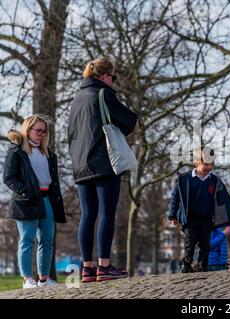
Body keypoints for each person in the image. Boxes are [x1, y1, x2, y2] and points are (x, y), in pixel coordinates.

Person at [68, 58, 137, 283]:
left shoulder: (76, 99)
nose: (112, 81)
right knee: (107, 212)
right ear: (104, 76)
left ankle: (87, 268)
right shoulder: (103, 94)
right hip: (104, 162)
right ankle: (104, 266)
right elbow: (128, 120)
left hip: (80, 164)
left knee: (88, 215)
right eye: (112, 77)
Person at [3, 115, 66, 288]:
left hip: (47, 200)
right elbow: (8, 178)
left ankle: (44, 280)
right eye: (39, 130)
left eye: (44, 131)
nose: (42, 134)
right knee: (27, 239)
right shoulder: (16, 152)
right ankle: (27, 280)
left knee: (47, 240)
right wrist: (25, 192)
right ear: (27, 130)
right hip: (26, 202)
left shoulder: (48, 153)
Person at [168, 146, 230, 273]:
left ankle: (202, 266)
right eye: (206, 164)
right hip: (190, 219)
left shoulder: (213, 180)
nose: (209, 167)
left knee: (205, 244)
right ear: (197, 162)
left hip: (207, 218)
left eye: (212, 164)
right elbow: (175, 198)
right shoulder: (184, 179)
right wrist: (172, 215)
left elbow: (223, 197)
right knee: (191, 241)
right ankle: (186, 264)